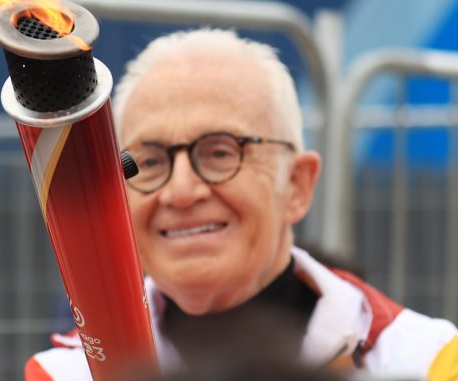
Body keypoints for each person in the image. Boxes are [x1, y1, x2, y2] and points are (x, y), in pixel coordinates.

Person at [25, 28, 458, 380]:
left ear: (297, 185)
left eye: (220, 153)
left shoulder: (426, 361)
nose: (180, 191)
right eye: (150, 161)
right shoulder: (64, 374)